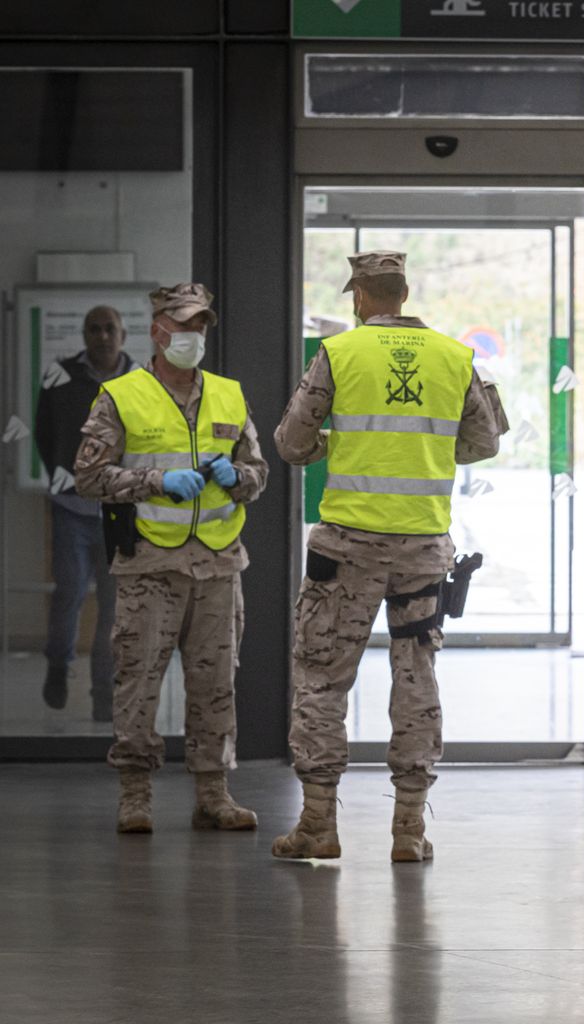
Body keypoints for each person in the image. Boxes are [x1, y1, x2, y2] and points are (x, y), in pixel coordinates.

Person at [272, 250, 508, 864]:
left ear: (359, 295)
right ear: (403, 293)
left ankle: (318, 824)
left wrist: (337, 441)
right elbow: (482, 443)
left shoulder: (339, 353)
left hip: (345, 550)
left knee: (323, 679)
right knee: (417, 678)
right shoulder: (455, 357)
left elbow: (292, 444)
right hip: (423, 550)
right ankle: (408, 830)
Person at [74, 284, 268, 834]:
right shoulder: (121, 395)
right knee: (138, 681)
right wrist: (155, 481)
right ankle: (135, 793)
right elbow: (89, 475)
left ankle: (213, 792)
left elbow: (259, 472)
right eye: (181, 326)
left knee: (215, 684)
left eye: (200, 327)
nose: (192, 336)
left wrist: (241, 479)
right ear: (157, 329)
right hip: (150, 566)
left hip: (218, 564)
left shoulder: (229, 394)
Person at [34, 306, 133, 719]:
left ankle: (104, 697)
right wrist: (65, 476)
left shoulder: (142, 381)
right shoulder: (61, 377)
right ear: (84, 335)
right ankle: (59, 664)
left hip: (119, 511)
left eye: (110, 328)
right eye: (94, 329)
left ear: (123, 334)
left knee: (113, 609)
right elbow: (43, 433)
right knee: (69, 594)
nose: (103, 336)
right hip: (71, 507)